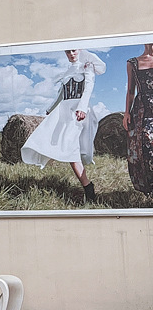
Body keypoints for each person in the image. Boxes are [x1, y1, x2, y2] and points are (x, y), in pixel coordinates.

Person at [21, 48, 107, 203]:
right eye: (68, 52)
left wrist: (82, 107)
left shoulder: (87, 66)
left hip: (78, 112)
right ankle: (88, 188)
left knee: (71, 150)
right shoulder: (67, 71)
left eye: (74, 50)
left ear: (79, 50)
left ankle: (88, 188)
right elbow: (61, 95)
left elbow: (88, 88)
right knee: (69, 150)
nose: (71, 54)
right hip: (64, 112)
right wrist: (50, 109)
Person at [122, 44, 153, 194]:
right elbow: (130, 90)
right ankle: (149, 188)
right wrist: (126, 113)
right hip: (142, 110)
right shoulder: (132, 63)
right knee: (145, 147)